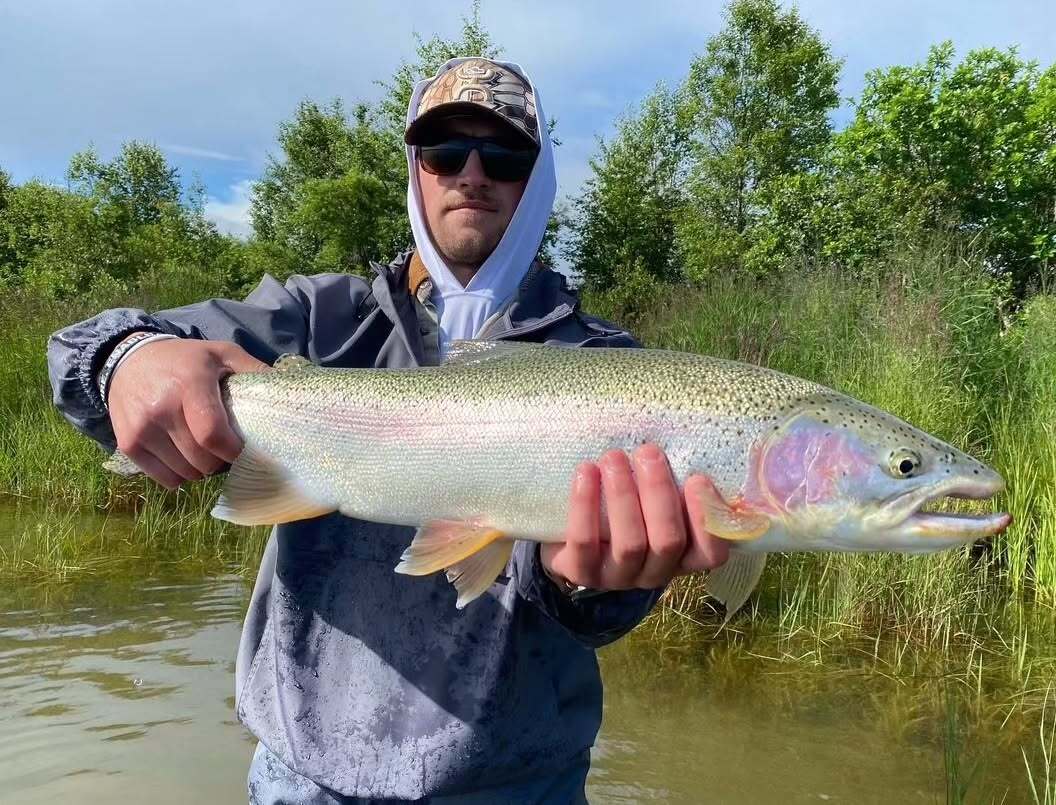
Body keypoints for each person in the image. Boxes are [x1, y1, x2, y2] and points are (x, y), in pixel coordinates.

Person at [47, 57, 729, 804]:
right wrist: (128, 360)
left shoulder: (609, 367)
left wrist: (586, 583)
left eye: (504, 156)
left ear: (537, 180)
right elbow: (78, 351)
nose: (473, 174)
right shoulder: (319, 318)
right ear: (416, 170)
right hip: (304, 783)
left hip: (519, 787)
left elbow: (592, 616)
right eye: (445, 152)